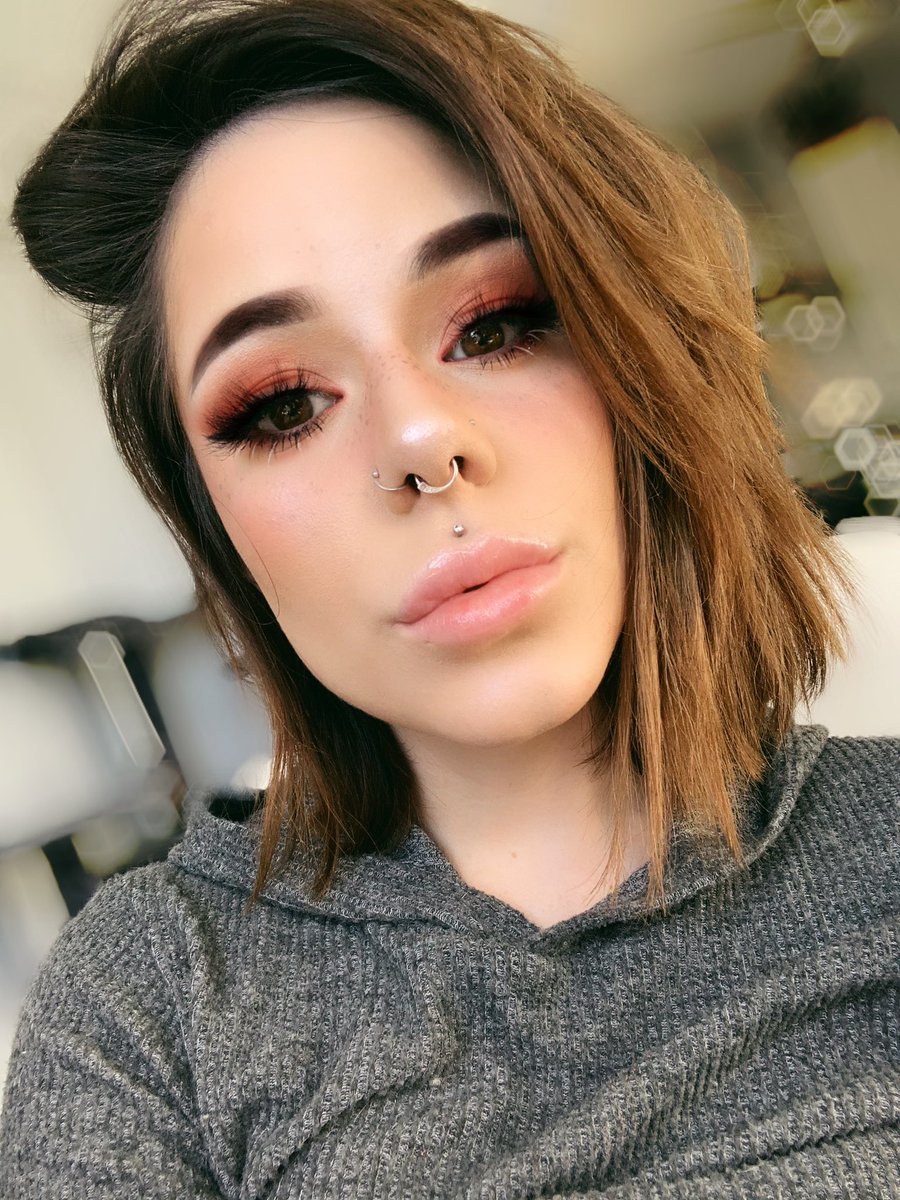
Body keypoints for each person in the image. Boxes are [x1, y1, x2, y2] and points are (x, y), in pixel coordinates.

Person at [1, 0, 897, 1195]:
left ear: (648, 359)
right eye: (282, 406)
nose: (422, 440)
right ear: (217, 535)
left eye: (498, 324)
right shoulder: (148, 1007)